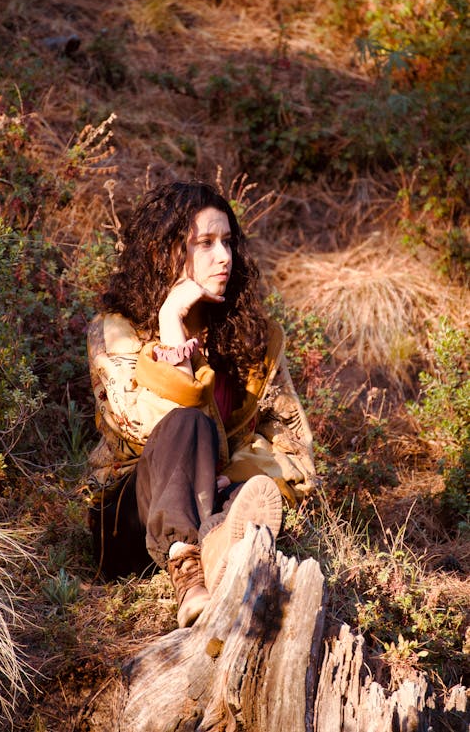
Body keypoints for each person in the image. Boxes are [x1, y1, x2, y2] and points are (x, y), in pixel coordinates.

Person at [85, 180, 317, 627]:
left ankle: (217, 550)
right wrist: (170, 324)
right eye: (205, 244)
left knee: (245, 495)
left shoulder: (253, 337)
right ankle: (188, 568)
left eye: (228, 242)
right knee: (188, 424)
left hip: (215, 498)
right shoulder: (115, 332)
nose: (225, 257)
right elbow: (149, 425)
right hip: (129, 519)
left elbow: (295, 454)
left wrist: (225, 473)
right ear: (163, 254)